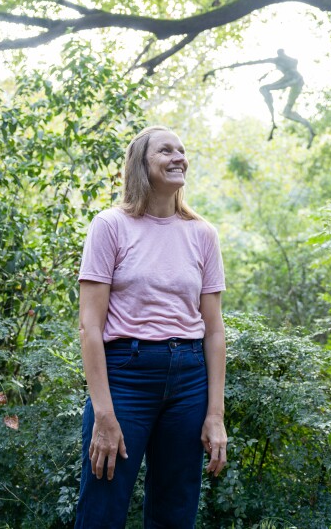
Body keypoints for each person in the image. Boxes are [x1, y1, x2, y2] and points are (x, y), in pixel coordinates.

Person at [74, 126, 228, 528]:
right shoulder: (110, 226)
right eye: (166, 151)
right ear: (141, 164)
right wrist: (104, 413)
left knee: (175, 514)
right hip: (125, 376)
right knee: (102, 509)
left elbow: (214, 330)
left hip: (189, 380)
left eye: (182, 149)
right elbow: (90, 327)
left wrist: (216, 414)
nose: (179, 157)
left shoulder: (202, 234)